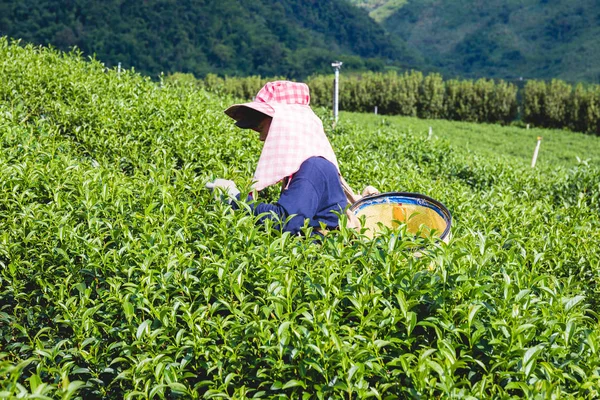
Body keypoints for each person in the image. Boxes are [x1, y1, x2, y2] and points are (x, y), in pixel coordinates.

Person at [206, 80, 351, 236]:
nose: (261, 138)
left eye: (261, 129)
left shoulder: (312, 168)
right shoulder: (308, 165)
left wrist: (235, 199)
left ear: (286, 124)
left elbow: (287, 222)